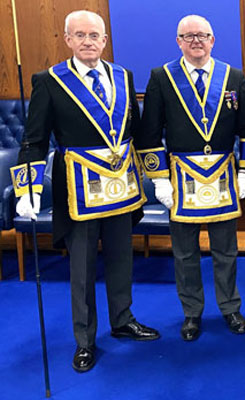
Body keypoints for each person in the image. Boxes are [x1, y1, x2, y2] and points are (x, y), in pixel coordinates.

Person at [12, 9, 161, 372]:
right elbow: (34, 138)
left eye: (94, 35)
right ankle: (85, 339)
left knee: (120, 257)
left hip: (122, 185)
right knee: (81, 267)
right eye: (79, 35)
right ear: (67, 40)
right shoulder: (49, 81)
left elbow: (138, 131)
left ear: (105, 40)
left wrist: (159, 176)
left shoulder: (123, 76)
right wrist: (27, 189)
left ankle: (123, 320)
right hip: (77, 188)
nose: (88, 42)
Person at [138, 14, 245, 342]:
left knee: (226, 250)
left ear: (213, 40)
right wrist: (160, 179)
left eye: (202, 35)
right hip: (181, 180)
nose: (196, 41)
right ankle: (192, 313)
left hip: (222, 178)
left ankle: (230, 306)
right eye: (188, 36)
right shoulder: (162, 77)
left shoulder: (233, 76)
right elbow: (149, 134)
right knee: (185, 252)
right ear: (178, 41)